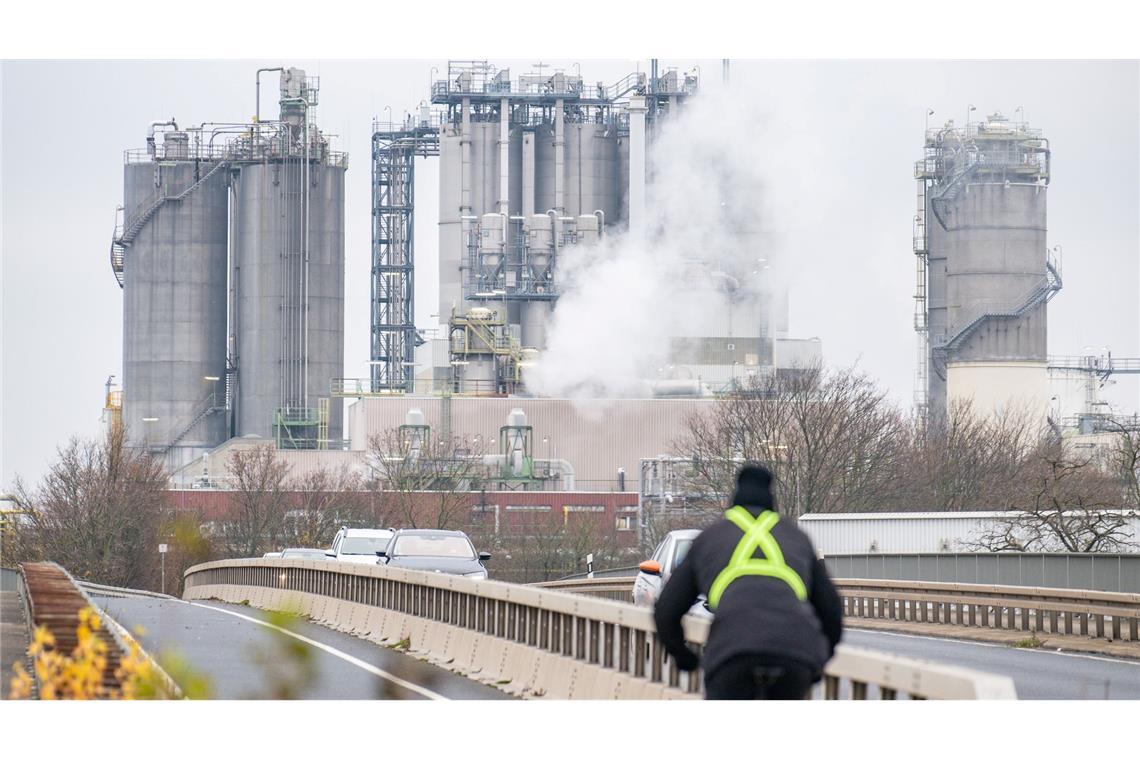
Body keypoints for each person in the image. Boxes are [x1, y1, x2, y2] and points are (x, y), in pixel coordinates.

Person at [653, 464, 843, 699]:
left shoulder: (711, 538)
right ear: (771, 498)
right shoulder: (796, 537)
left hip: (732, 654)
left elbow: (666, 611)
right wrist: (817, 661)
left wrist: (684, 657)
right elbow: (832, 612)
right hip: (793, 655)